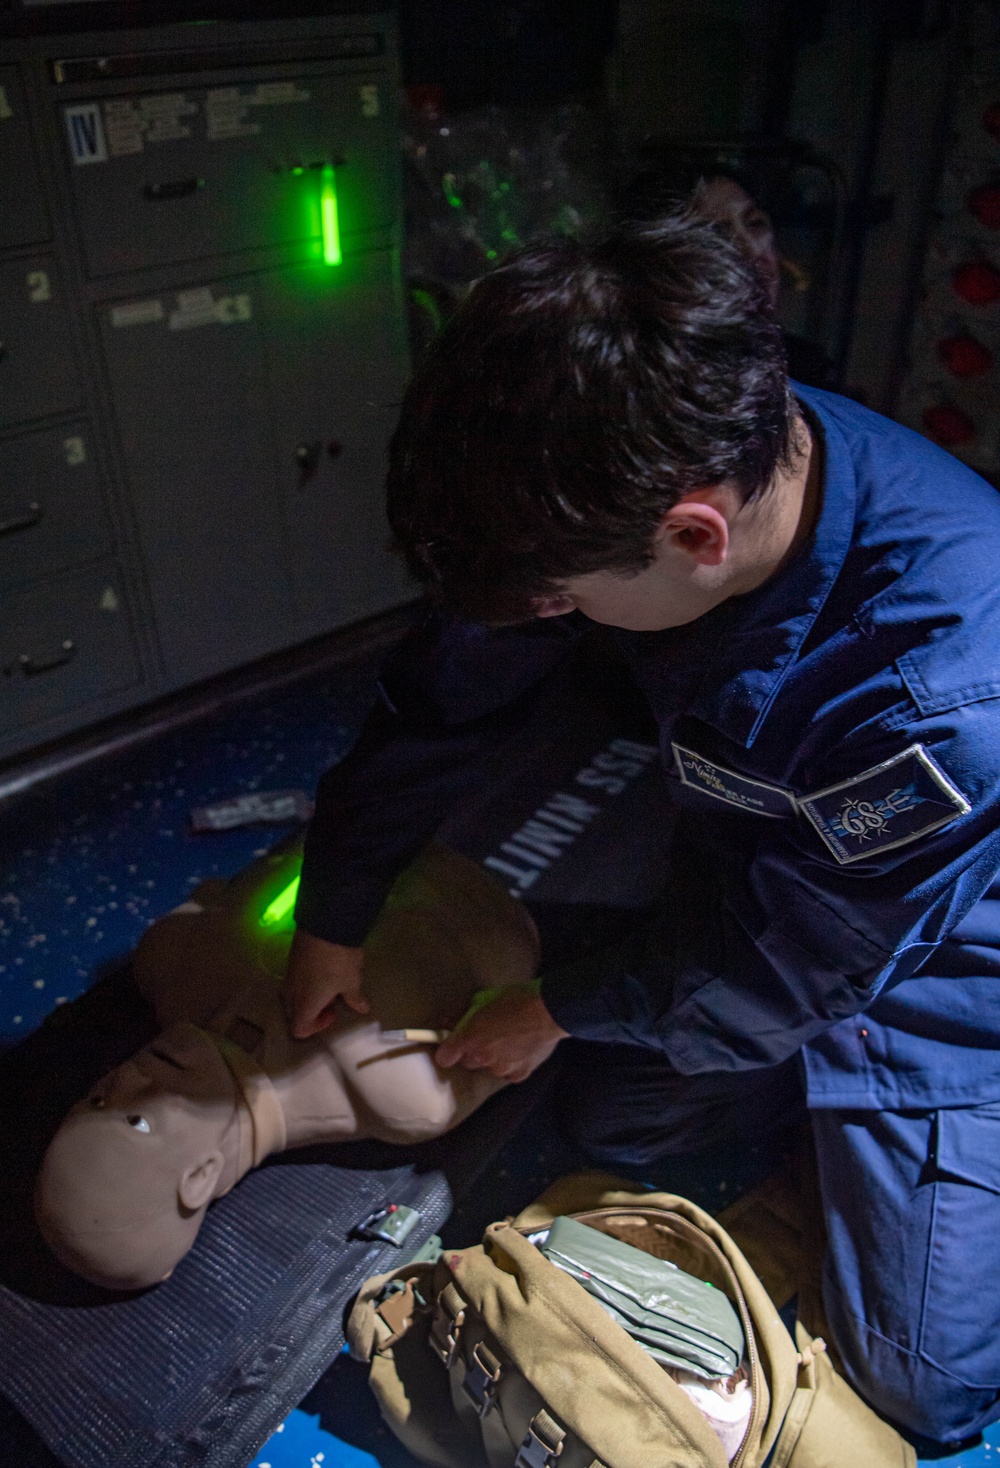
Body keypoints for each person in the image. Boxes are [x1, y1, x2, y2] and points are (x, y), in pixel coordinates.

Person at [282, 211, 1000, 1445]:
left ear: (694, 536)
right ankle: (822, 1135)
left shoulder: (942, 694)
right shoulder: (612, 464)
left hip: (939, 969)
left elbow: (804, 966)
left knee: (924, 1385)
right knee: (612, 1117)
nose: (551, 613)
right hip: (760, 895)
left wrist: (560, 1003)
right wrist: (335, 916)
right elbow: (445, 700)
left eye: (563, 599)